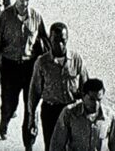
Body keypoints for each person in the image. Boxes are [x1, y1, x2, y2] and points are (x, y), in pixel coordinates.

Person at [0, 0, 51, 149]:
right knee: (10, 105)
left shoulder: (36, 17)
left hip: (30, 68)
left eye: (28, 0)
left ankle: (28, 144)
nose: (24, 3)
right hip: (10, 68)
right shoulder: (4, 16)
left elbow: (45, 41)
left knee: (31, 109)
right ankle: (5, 121)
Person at [28, 22, 89, 151]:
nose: (60, 44)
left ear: (67, 39)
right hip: (51, 112)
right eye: (56, 40)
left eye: (63, 40)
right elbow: (34, 92)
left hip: (71, 111)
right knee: (51, 147)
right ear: (50, 39)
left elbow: (86, 89)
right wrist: (32, 117)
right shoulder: (42, 62)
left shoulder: (77, 60)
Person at [48, 78, 115, 151]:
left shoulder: (109, 116)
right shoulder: (69, 113)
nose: (96, 104)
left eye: (99, 99)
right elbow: (57, 145)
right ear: (83, 96)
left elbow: (114, 144)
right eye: (92, 99)